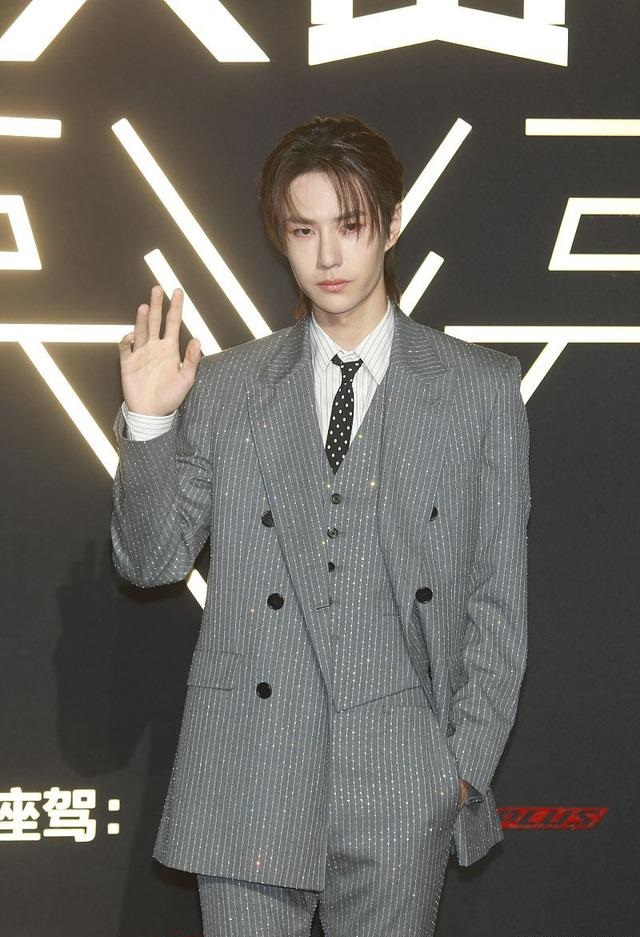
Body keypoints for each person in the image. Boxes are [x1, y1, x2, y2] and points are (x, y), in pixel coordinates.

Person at [111, 114, 531, 937]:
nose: (328, 256)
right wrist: (151, 424)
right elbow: (151, 560)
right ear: (282, 236)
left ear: (392, 224)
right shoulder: (229, 387)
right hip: (248, 770)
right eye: (304, 230)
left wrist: (456, 771)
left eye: (350, 225)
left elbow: (498, 601)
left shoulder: (479, 389)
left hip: (401, 779)